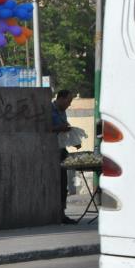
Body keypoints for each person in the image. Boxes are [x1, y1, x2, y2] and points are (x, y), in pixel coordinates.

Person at [51, 90, 79, 225]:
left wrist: (74, 141)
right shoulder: (49, 109)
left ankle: (62, 214)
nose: (69, 105)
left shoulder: (63, 112)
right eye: (68, 101)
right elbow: (46, 128)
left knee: (63, 184)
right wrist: (59, 128)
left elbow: (64, 131)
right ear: (60, 98)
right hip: (50, 151)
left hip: (61, 150)